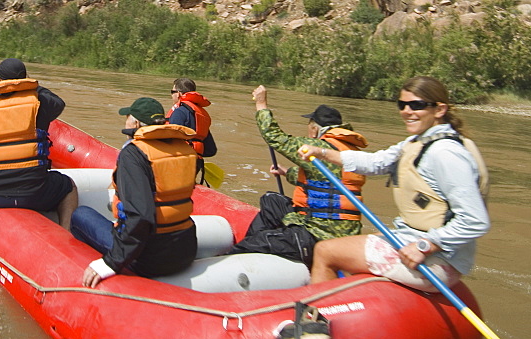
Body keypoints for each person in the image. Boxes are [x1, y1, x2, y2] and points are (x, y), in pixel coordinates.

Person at [301, 76, 490, 290]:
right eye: (402, 104)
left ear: (439, 110)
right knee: (355, 245)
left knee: (326, 251)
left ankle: (315, 318)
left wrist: (425, 245)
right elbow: (375, 162)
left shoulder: (446, 153)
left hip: (437, 260)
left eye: (416, 105)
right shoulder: (418, 142)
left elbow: (475, 220)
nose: (406, 111)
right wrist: (323, 152)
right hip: (418, 241)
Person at [230, 86, 368, 266]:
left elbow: (274, 136)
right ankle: (265, 242)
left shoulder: (318, 148)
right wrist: (286, 172)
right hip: (339, 231)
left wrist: (261, 103)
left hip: (318, 234)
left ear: (315, 129)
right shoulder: (348, 152)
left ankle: (253, 249)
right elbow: (325, 183)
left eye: (309, 126)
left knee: (247, 246)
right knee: (272, 200)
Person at [71, 97, 200, 287]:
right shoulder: (185, 150)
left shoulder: (134, 154)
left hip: (148, 259)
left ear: (136, 123)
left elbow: (141, 216)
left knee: (81, 215)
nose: (125, 122)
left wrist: (112, 262)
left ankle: (82, 269)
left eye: (127, 118)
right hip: (186, 250)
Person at [0, 58, 78, 229]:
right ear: (24, 80)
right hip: (35, 192)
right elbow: (58, 102)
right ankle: (66, 230)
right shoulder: (40, 104)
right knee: (68, 186)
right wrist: (28, 84)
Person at [166, 77, 217, 157]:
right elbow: (211, 150)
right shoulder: (200, 114)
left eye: (172, 92)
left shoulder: (179, 112)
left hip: (179, 161)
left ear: (179, 93)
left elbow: (170, 140)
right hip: (196, 163)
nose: (171, 95)